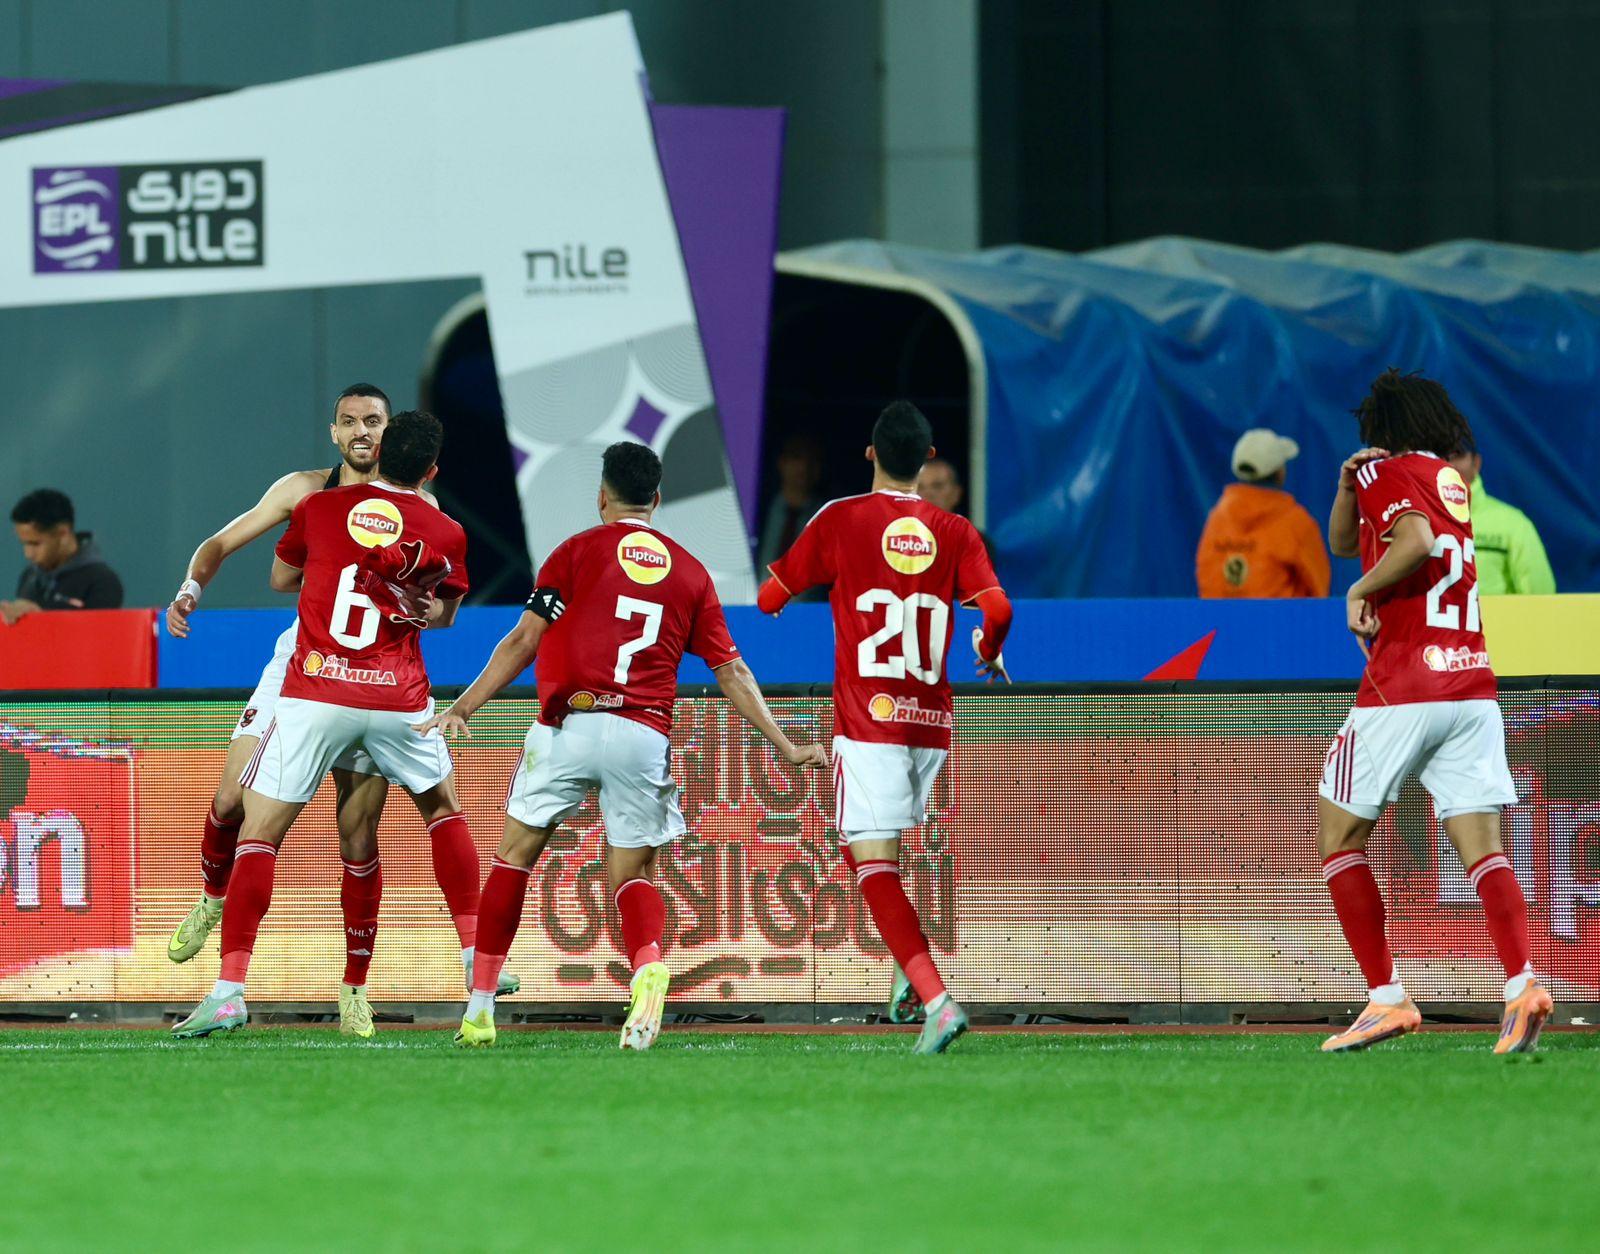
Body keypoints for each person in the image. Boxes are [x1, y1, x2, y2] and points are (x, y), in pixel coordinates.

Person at [417, 440, 827, 1051]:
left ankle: (478, 1010)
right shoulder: (690, 573)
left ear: (602, 497)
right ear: (656, 499)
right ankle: (648, 966)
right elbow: (733, 671)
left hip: (568, 726)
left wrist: (462, 707)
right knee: (632, 873)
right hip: (642, 734)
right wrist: (786, 744)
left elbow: (524, 639)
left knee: (514, 857)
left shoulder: (575, 553)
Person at [162, 384, 515, 1038]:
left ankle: (328, 986)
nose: (360, 432)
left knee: (331, 833)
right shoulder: (334, 496)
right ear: (336, 432)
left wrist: (335, 565)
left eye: (372, 422)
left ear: (386, 436)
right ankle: (475, 956)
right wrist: (192, 589)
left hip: (320, 676)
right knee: (233, 802)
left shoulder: (324, 509)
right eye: (349, 421)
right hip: (369, 681)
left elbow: (282, 577)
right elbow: (441, 613)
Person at [759, 400, 1013, 1055]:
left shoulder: (840, 518)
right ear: (926, 459)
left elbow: (770, 597)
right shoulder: (955, 530)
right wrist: (988, 648)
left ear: (870, 453)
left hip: (868, 722)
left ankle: (936, 1001)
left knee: (872, 860)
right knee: (869, 851)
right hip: (929, 725)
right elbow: (997, 608)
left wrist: (783, 597)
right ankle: (908, 969)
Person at [1319, 369, 1550, 1055]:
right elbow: (1346, 542)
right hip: (1471, 685)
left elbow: (1413, 542)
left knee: (1339, 840)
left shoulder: (1385, 471)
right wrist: (1346, 489)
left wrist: (1357, 591)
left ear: (1380, 429)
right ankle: (1522, 986)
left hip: (1402, 686)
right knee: (1483, 848)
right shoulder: (1451, 480)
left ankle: (1387, 998)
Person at [1196, 429, 1329, 598]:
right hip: (1282, 616)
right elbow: (1318, 592)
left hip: (1221, 616)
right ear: (1280, 473)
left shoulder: (1216, 520)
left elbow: (1206, 581)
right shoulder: (1296, 522)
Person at [1445, 446, 1556, 595]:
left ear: (1476, 463)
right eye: (1440, 455)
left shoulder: (1513, 524)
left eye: (1458, 455)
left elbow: (1540, 597)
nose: (1449, 464)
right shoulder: (1416, 520)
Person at [3, 489, 123, 624]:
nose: (28, 554)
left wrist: (40, 618)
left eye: (35, 544)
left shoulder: (103, 581)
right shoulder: (29, 576)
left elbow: (98, 634)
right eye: (24, 543)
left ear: (63, 533)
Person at [755, 432, 825, 596]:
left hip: (809, 609)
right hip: (753, 605)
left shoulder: (828, 519)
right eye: (796, 457)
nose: (803, 467)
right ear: (781, 462)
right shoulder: (758, 512)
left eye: (811, 460)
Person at [918, 457, 996, 563]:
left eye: (937, 486)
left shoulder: (976, 542)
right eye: (919, 487)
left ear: (956, 493)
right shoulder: (898, 539)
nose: (927, 494)